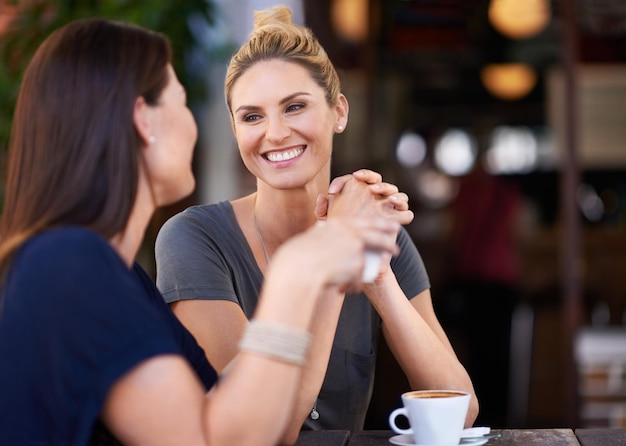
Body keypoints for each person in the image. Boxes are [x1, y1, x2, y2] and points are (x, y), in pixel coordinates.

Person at [0, 18, 402, 446]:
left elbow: (229, 421)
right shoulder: (70, 264)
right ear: (144, 120)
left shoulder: (120, 280)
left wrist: (319, 260)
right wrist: (299, 272)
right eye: (181, 101)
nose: (193, 124)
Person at [155, 5, 478, 439]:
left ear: (338, 112)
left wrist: (375, 270)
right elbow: (261, 433)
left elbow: (459, 411)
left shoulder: (381, 238)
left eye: (294, 107)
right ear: (235, 130)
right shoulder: (195, 240)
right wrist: (333, 245)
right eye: (252, 116)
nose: (275, 133)